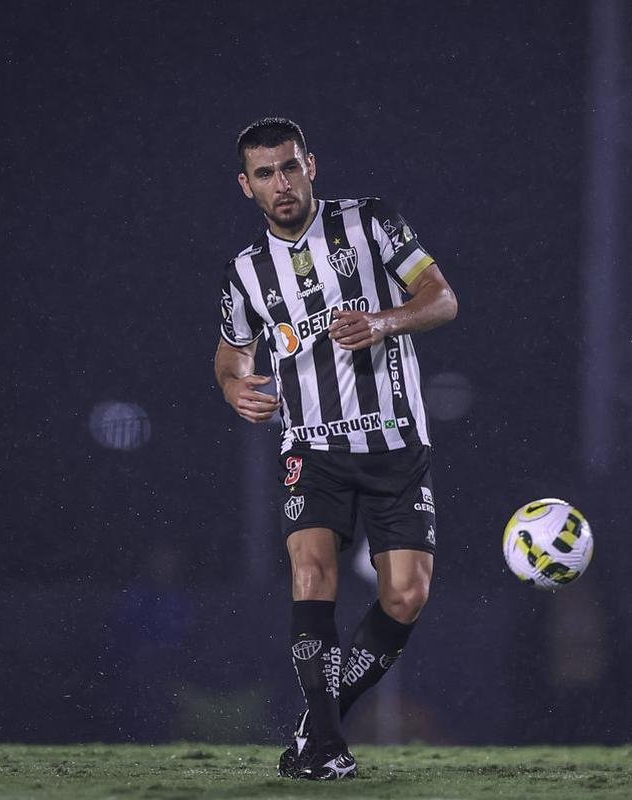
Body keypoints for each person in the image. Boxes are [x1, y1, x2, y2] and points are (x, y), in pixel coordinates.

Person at [213, 117, 457, 780]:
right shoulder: (246, 271)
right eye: (265, 174)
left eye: (290, 167)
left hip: (395, 441)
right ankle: (325, 748)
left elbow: (442, 299)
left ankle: (315, 729)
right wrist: (234, 386)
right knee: (311, 575)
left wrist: (383, 319)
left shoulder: (372, 222)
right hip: (310, 448)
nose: (281, 183)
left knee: (406, 595)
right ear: (247, 186)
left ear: (311, 166)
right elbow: (232, 352)